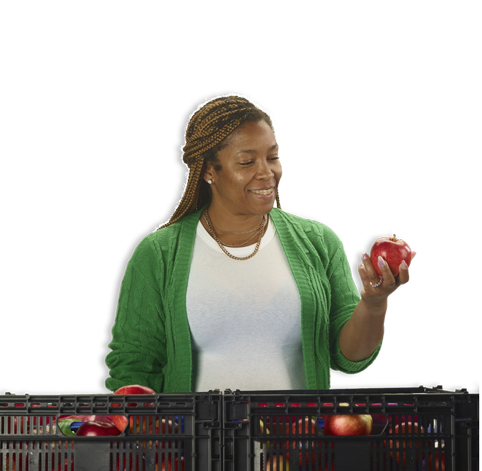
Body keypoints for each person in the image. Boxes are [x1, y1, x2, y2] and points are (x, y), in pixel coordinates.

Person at [104, 89, 415, 394]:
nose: (267, 173)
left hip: (298, 440)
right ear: (210, 170)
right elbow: (133, 368)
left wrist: (374, 303)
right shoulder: (158, 253)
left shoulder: (318, 242)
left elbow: (349, 360)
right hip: (197, 443)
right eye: (247, 162)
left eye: (273, 157)